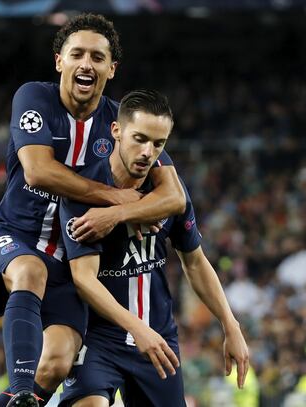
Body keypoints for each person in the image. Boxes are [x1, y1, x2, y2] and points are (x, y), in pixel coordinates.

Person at [0, 14, 185, 407]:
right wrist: (113, 196)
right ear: (60, 61)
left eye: (97, 56)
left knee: (55, 362)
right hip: (14, 238)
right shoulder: (34, 98)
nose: (86, 63)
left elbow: (175, 197)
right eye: (77, 54)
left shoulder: (120, 124)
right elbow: (37, 172)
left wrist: (122, 213)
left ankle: (18, 398)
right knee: (30, 269)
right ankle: (22, 391)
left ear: (111, 68)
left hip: (70, 270)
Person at [59, 88, 250, 407]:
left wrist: (230, 324)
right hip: (98, 339)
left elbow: (195, 262)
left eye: (158, 144)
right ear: (116, 131)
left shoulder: (171, 195)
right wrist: (137, 329)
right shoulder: (83, 192)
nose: (148, 152)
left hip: (158, 337)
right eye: (140, 139)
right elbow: (85, 280)